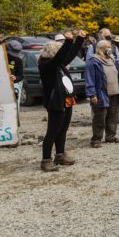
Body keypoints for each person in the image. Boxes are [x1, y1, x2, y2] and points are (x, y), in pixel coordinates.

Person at [38, 31, 85, 172]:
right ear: (54, 52)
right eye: (59, 52)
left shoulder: (59, 64)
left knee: (63, 130)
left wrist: (80, 39)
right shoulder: (47, 65)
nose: (63, 55)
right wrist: (68, 42)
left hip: (67, 100)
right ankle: (46, 160)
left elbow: (69, 56)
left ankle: (60, 155)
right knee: (52, 132)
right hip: (55, 102)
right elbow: (60, 57)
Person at [85, 39, 119, 147]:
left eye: (110, 46)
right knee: (100, 117)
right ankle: (96, 139)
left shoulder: (113, 59)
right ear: (101, 49)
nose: (110, 48)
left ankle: (110, 136)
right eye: (107, 47)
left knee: (113, 116)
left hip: (115, 93)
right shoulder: (93, 60)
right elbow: (90, 79)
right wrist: (92, 94)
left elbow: (118, 75)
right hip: (101, 94)